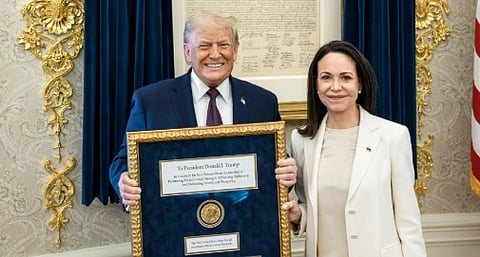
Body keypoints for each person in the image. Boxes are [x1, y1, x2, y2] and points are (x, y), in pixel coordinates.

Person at [109, 12, 297, 208]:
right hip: (175, 225)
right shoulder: (151, 102)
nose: (215, 54)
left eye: (223, 45)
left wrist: (288, 172)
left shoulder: (263, 102)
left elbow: (275, 162)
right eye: (205, 46)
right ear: (188, 52)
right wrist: (124, 182)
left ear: (235, 52)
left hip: (245, 224)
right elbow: (123, 162)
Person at [282, 40, 427, 257]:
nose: (335, 87)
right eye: (326, 77)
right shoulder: (301, 140)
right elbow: (309, 205)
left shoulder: (392, 137)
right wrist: (297, 215)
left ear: (360, 84)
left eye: (346, 77)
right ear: (316, 84)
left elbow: (408, 222)